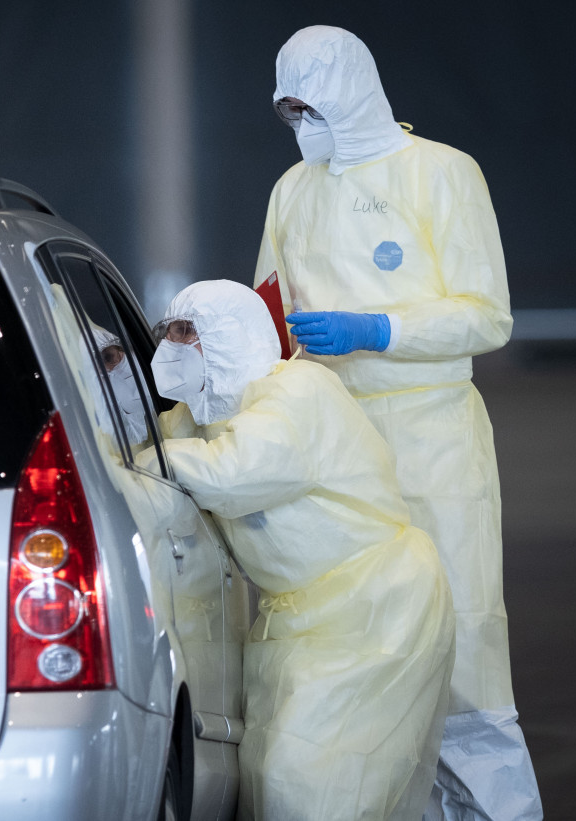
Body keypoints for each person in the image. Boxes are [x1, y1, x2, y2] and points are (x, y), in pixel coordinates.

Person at [255, 25, 542, 819]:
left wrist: (375, 330)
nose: (301, 125)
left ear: (350, 90)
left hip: (431, 434)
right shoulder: (292, 190)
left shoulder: (442, 174)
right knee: (366, 643)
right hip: (337, 447)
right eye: (288, 112)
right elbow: (267, 307)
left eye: (310, 106)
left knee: (460, 640)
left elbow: (485, 316)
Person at [148, 278, 454, 820]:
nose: (169, 346)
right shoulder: (196, 417)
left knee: (309, 784)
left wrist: (133, 463)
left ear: (228, 337)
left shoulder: (298, 391)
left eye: (185, 332)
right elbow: (151, 438)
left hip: (375, 608)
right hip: (298, 620)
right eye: (167, 331)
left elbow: (231, 474)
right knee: (272, 780)